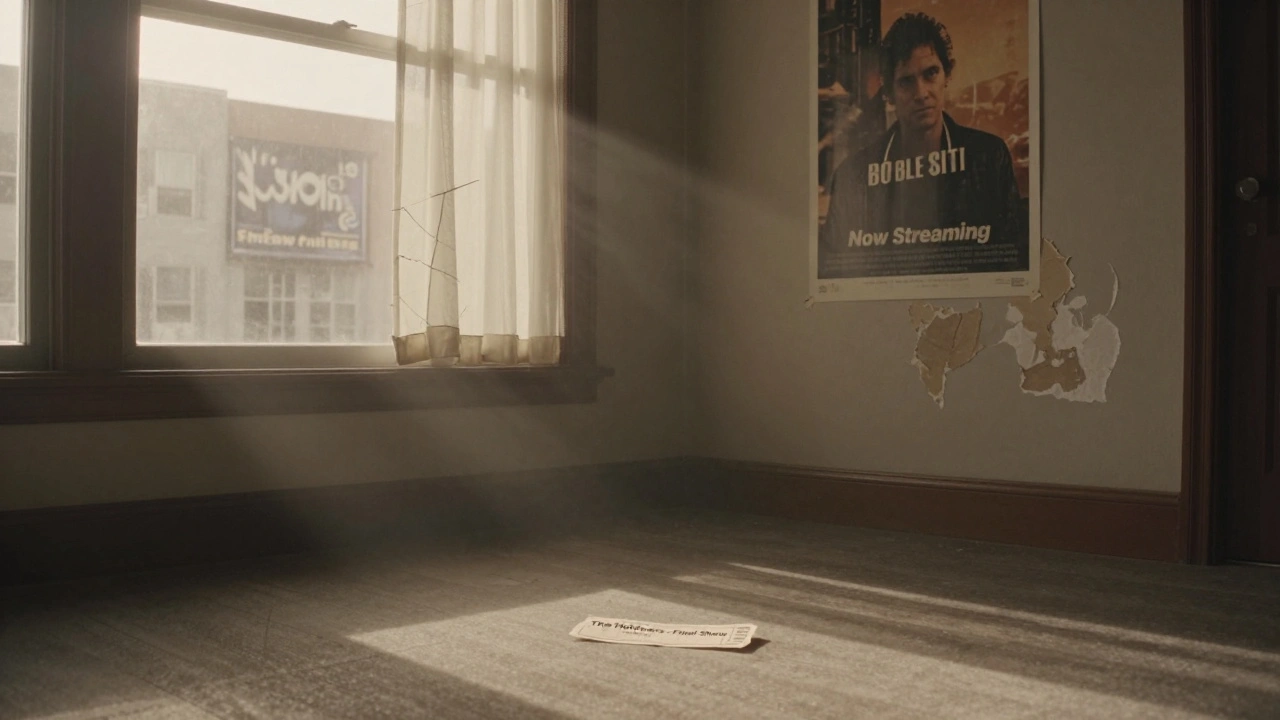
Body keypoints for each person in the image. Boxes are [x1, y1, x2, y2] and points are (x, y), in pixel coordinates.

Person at [819, 12, 1026, 279]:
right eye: (906, 81)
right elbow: (837, 272)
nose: (921, 93)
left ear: (947, 74)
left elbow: (1012, 263)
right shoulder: (853, 175)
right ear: (890, 93)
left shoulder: (988, 156)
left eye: (931, 74)